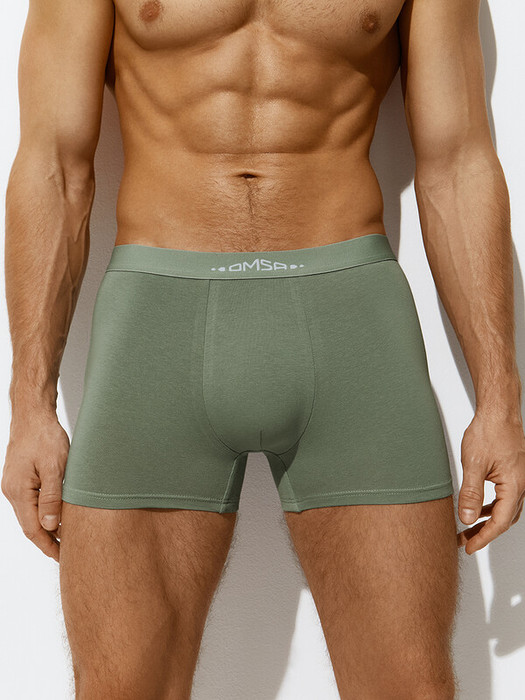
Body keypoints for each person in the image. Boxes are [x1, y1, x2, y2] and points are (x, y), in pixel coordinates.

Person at [2, 0, 524, 697]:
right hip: (156, 327)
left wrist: (500, 401)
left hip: (350, 323)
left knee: (410, 688)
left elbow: (457, 162)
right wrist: (29, 405)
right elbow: (53, 165)